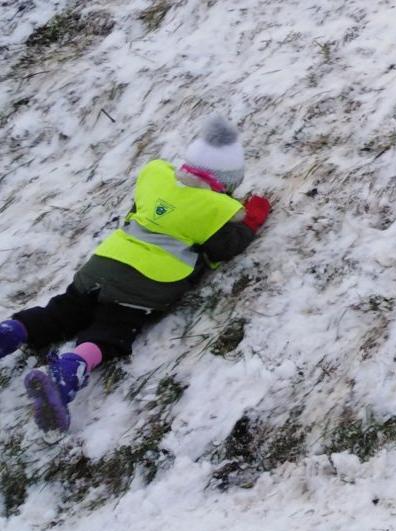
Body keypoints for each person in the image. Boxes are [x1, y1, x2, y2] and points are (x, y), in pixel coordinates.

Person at [0, 115, 270, 432]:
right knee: (112, 330)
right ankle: (72, 368)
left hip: (102, 264)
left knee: (60, 312)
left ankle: (12, 331)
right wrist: (251, 219)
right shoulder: (211, 209)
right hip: (145, 283)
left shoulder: (157, 183)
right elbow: (227, 247)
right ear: (225, 184)